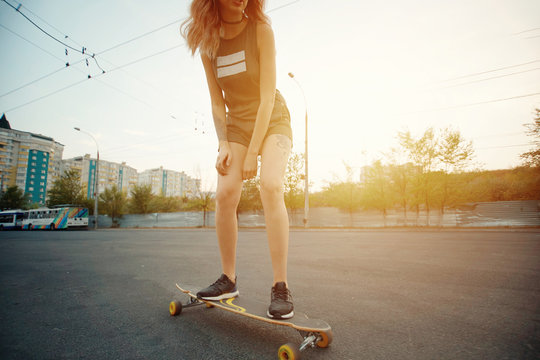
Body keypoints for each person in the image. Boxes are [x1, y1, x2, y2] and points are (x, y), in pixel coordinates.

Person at [181, 0, 294, 319]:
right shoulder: (209, 45)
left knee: (270, 185)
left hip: (272, 117)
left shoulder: (261, 30)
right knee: (225, 194)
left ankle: (280, 285)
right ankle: (228, 279)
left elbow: (267, 96)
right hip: (236, 125)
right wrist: (223, 144)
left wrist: (254, 153)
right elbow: (217, 103)